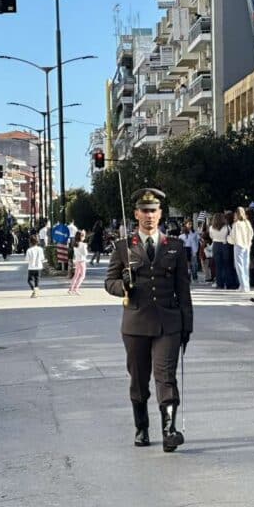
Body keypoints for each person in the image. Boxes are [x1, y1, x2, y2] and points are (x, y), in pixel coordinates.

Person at [104, 189, 193, 452]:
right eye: (144, 211)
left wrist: (187, 325)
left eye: (153, 211)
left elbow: (183, 290)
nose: (149, 216)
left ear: (160, 214)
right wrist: (123, 285)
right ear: (136, 214)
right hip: (136, 323)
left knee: (166, 376)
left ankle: (169, 431)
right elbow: (109, 282)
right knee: (139, 378)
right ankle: (141, 427)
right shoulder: (123, 247)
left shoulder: (175, 247)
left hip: (168, 323)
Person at [230, 208, 254, 293]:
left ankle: (243, 285)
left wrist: (229, 239)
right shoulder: (247, 223)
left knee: (239, 266)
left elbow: (232, 237)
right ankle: (246, 286)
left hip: (238, 245)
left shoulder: (236, 224)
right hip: (247, 246)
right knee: (246, 266)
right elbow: (251, 234)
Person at [68, 230, 89, 295]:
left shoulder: (75, 244)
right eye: (83, 236)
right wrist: (86, 247)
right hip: (82, 261)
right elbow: (85, 254)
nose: (84, 237)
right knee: (82, 275)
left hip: (77, 260)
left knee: (76, 275)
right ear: (81, 237)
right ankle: (76, 289)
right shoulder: (83, 245)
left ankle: (71, 289)